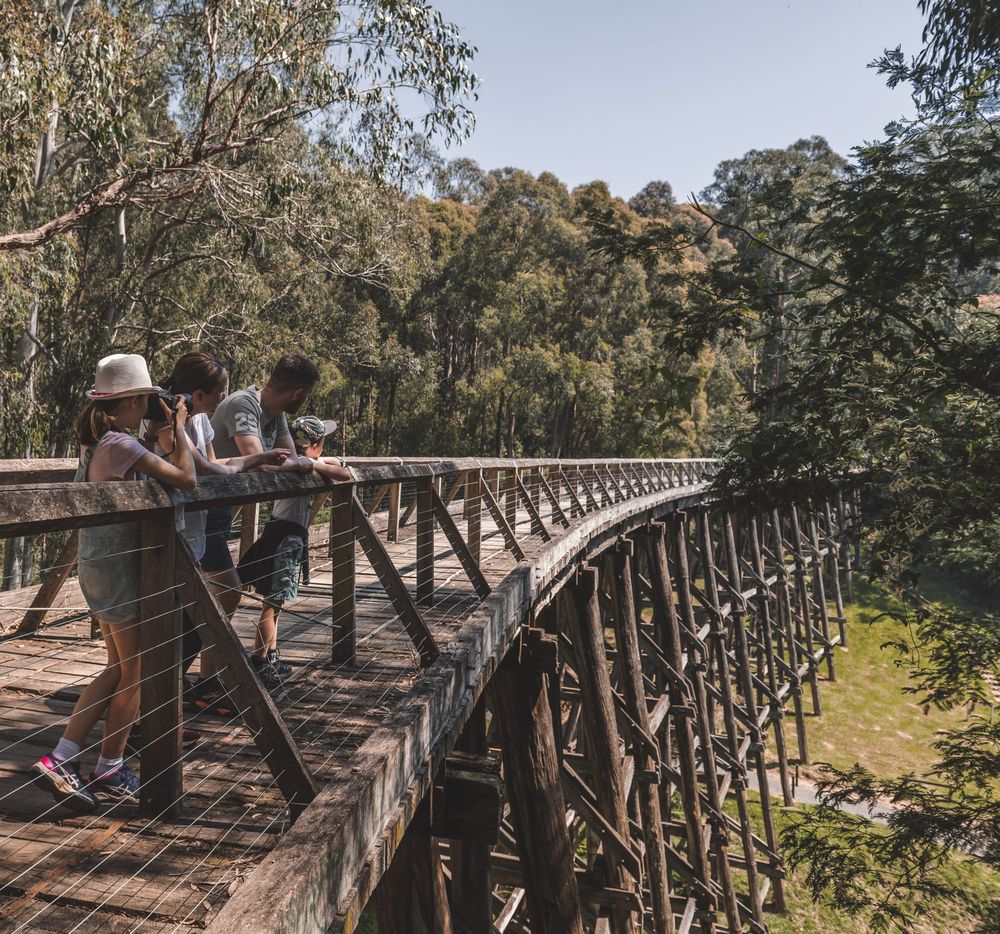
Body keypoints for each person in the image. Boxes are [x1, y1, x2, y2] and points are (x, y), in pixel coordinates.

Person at [32, 354, 196, 813]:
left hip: (100, 566)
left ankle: (81, 760)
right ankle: (94, 761)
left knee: (117, 668)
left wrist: (157, 440)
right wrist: (179, 428)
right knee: (136, 672)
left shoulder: (101, 442)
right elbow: (187, 479)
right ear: (135, 400)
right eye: (147, 399)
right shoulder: (119, 445)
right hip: (119, 571)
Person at [146, 352, 289, 716]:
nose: (224, 396)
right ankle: (162, 690)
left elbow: (217, 464)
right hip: (168, 531)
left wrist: (250, 461)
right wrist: (256, 459)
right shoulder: (166, 423)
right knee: (198, 601)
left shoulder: (201, 421)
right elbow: (205, 469)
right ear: (199, 394)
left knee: (223, 593)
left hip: (200, 525)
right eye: (219, 391)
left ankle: (188, 682)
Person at [199, 354, 318, 699]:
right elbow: (259, 464)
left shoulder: (275, 414)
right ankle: (206, 681)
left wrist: (292, 462)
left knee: (215, 596)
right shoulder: (242, 405)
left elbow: (287, 459)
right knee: (226, 591)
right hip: (199, 515)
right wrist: (287, 462)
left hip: (218, 515)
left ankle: (206, 680)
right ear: (298, 392)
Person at [237, 417, 352, 682]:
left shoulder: (297, 464)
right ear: (314, 445)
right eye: (322, 443)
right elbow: (344, 474)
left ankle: (270, 656)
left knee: (273, 602)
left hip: (279, 532)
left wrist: (319, 462)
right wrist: (316, 463)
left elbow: (336, 465)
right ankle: (261, 660)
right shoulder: (301, 467)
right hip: (286, 537)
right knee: (272, 603)